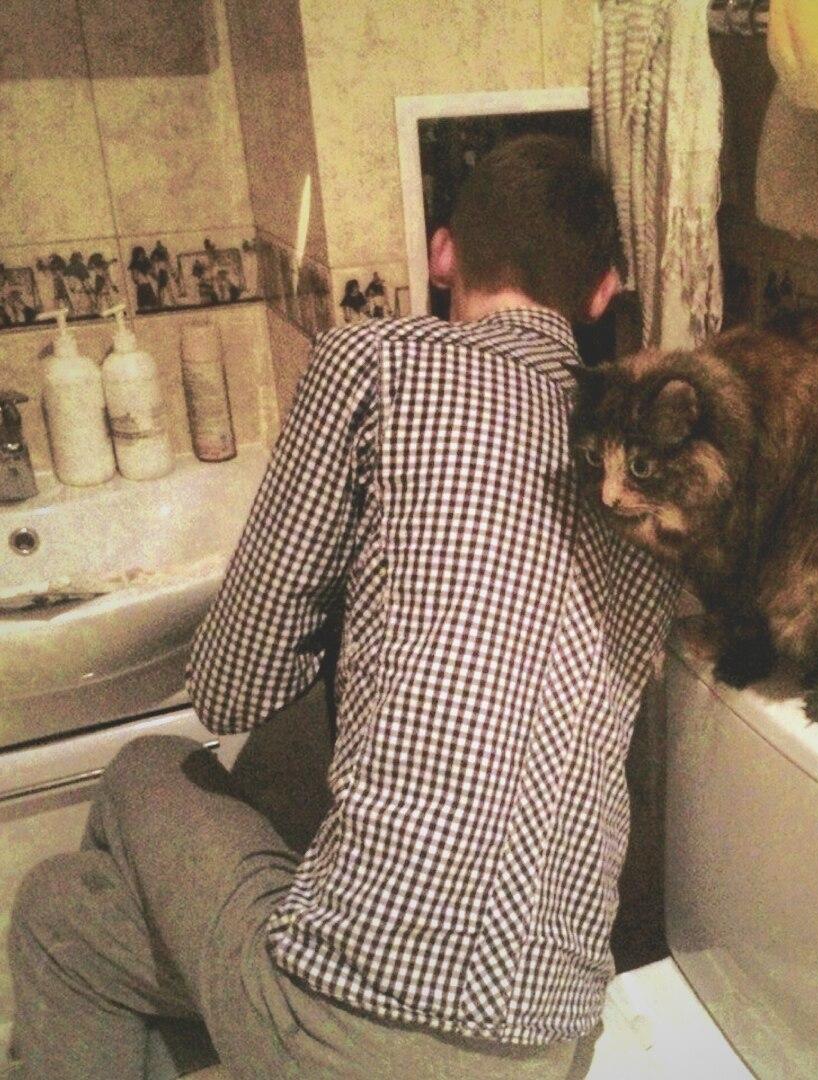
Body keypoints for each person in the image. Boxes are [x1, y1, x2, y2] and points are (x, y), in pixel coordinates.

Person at [7, 135, 681, 1080]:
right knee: (64, 911)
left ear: (443, 253)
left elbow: (228, 689)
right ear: (603, 292)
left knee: (143, 768)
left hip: (350, 1028)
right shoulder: (655, 475)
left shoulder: (376, 360)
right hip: (551, 1035)